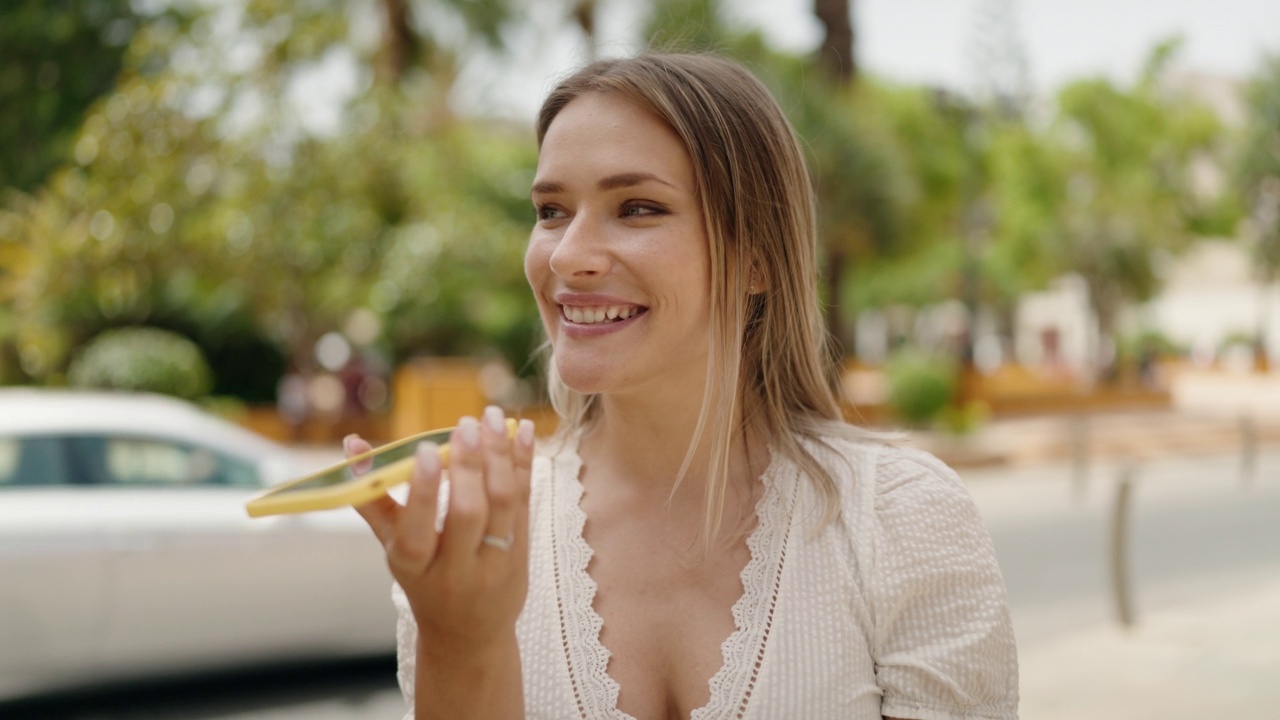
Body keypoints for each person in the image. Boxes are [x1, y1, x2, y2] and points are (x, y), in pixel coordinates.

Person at [346, 52, 1019, 720]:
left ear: (756, 258)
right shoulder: (479, 539)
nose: (569, 255)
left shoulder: (900, 519)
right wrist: (464, 643)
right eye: (551, 210)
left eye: (637, 208)